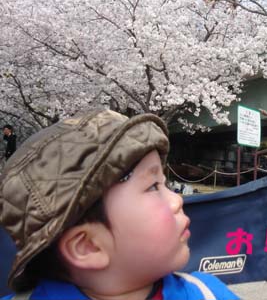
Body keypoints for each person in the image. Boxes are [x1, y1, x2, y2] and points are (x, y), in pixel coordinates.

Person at [0, 109, 239, 300]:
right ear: (88, 246)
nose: (177, 200)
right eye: (153, 186)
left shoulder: (208, 293)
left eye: (166, 184)